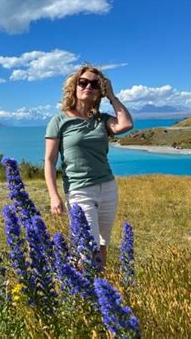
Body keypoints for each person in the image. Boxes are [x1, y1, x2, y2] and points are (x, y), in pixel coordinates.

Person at [44, 64, 134, 269]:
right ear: (74, 87)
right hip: (79, 190)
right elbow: (49, 160)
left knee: (102, 243)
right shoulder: (59, 120)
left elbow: (126, 125)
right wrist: (54, 195)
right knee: (86, 246)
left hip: (108, 187)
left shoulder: (101, 120)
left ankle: (99, 291)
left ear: (99, 91)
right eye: (83, 82)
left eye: (95, 84)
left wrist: (111, 95)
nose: (88, 87)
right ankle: (81, 290)